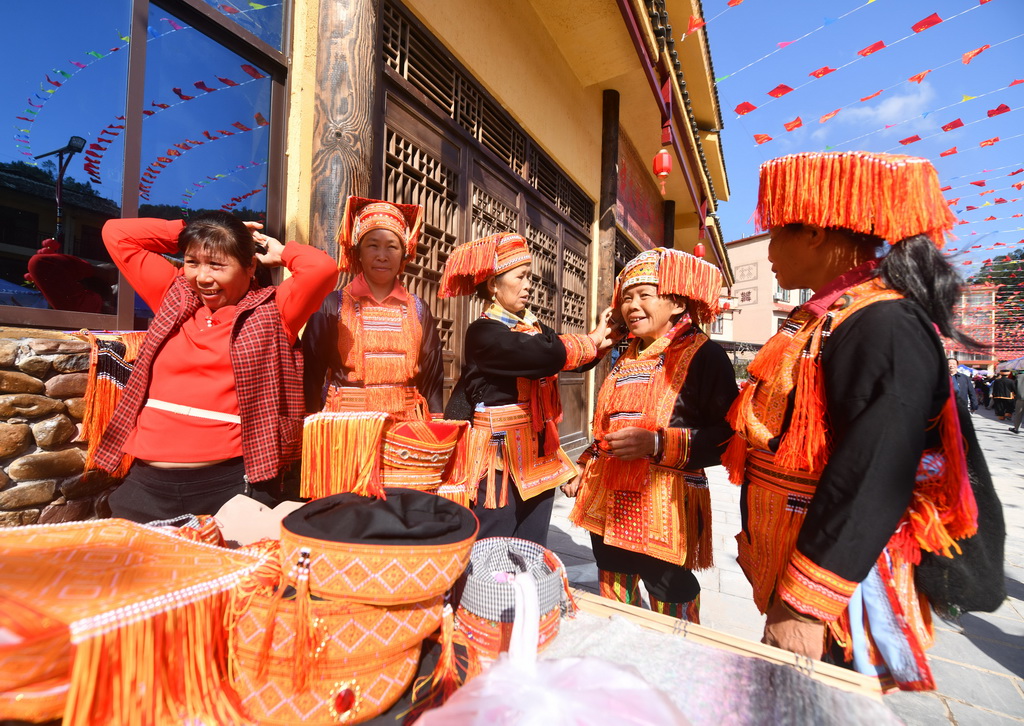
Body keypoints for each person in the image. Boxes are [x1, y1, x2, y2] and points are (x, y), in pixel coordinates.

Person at [724, 151, 987, 691]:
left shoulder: (881, 322)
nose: (769, 251)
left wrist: (805, 603)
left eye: (776, 233)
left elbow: (873, 471)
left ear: (816, 233)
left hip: (836, 595)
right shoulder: (826, 318)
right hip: (795, 571)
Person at [95, 212, 338, 522]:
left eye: (217, 265)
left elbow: (323, 268)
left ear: (250, 267)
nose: (203, 277)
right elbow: (116, 233)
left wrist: (280, 252)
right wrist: (196, 231)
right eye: (193, 262)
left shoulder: (275, 310)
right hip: (146, 484)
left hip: (231, 486)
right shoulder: (173, 295)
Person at [566, 247, 737, 623]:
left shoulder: (705, 356)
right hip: (608, 493)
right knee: (613, 578)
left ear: (676, 302)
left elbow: (729, 435)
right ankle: (620, 652)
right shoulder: (626, 354)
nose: (633, 305)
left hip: (664, 502)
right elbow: (606, 424)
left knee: (668, 588)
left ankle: (673, 663)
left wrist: (658, 443)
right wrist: (585, 466)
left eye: (645, 295)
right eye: (627, 297)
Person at [439, 233, 619, 545]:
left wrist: (602, 341)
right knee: (493, 544)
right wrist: (591, 340)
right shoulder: (483, 332)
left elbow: (563, 357)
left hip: (537, 454)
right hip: (499, 459)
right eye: (520, 277)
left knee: (532, 543)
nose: (528, 286)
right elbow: (543, 354)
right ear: (494, 285)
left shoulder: (533, 328)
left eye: (529, 277)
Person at [302, 196, 443, 420]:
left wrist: (437, 421)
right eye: (373, 246)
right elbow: (312, 371)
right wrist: (310, 421)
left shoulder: (418, 308)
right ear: (359, 252)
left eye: (392, 247)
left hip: (406, 426)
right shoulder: (334, 304)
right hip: (346, 426)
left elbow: (433, 373)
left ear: (404, 254)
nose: (382, 256)